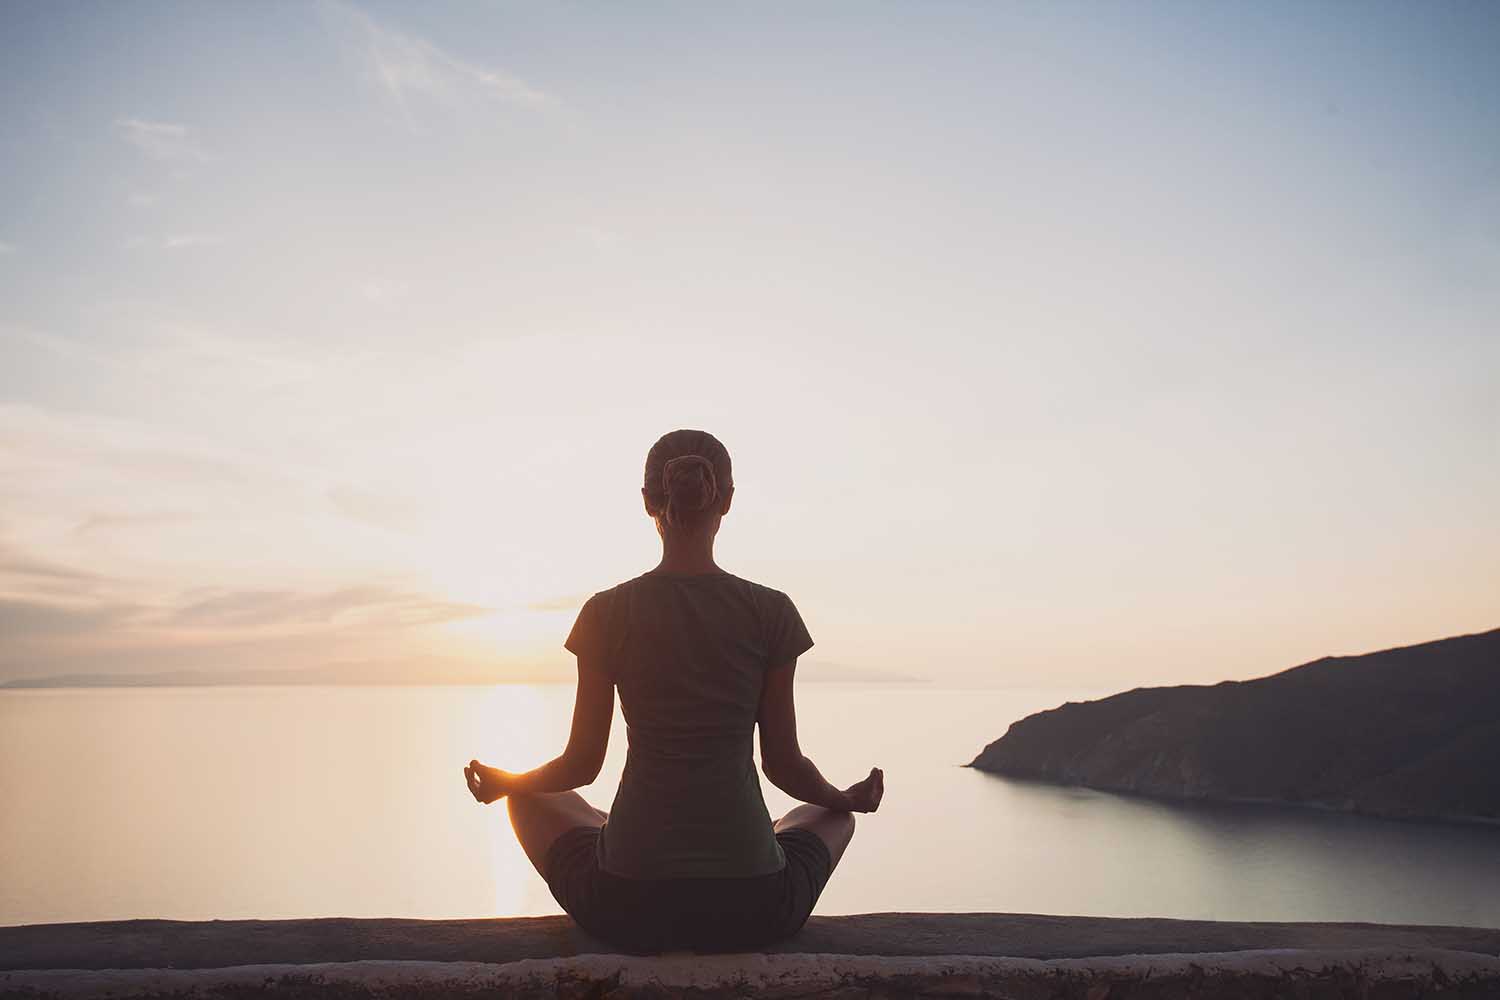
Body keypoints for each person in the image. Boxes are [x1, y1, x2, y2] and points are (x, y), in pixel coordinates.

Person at [463, 428, 883, 953]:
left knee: (525, 801)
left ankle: (615, 827)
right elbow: (784, 765)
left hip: (629, 905)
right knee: (827, 816)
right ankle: (748, 834)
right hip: (753, 906)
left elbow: (582, 764)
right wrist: (846, 798)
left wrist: (510, 781)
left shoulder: (606, 612)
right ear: (727, 501)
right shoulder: (770, 611)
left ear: (647, 503)